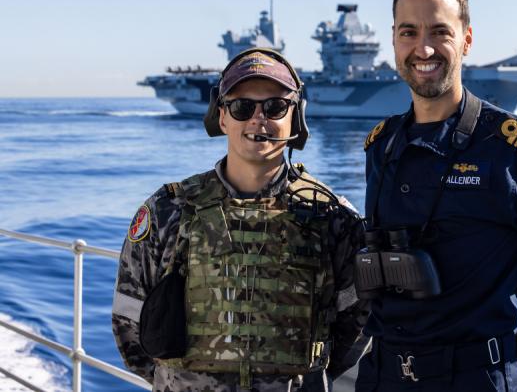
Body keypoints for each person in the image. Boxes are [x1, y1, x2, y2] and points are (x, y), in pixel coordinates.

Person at [355, 0, 517, 391]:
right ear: (394, 40)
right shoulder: (382, 145)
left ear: (466, 40)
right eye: (409, 32)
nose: (423, 48)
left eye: (440, 32)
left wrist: (501, 364)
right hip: (382, 375)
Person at [112, 48, 369, 392]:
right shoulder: (167, 210)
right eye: (242, 107)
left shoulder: (333, 218)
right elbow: (129, 322)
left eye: (275, 107)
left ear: (297, 116)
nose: (257, 119)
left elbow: (357, 325)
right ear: (222, 118)